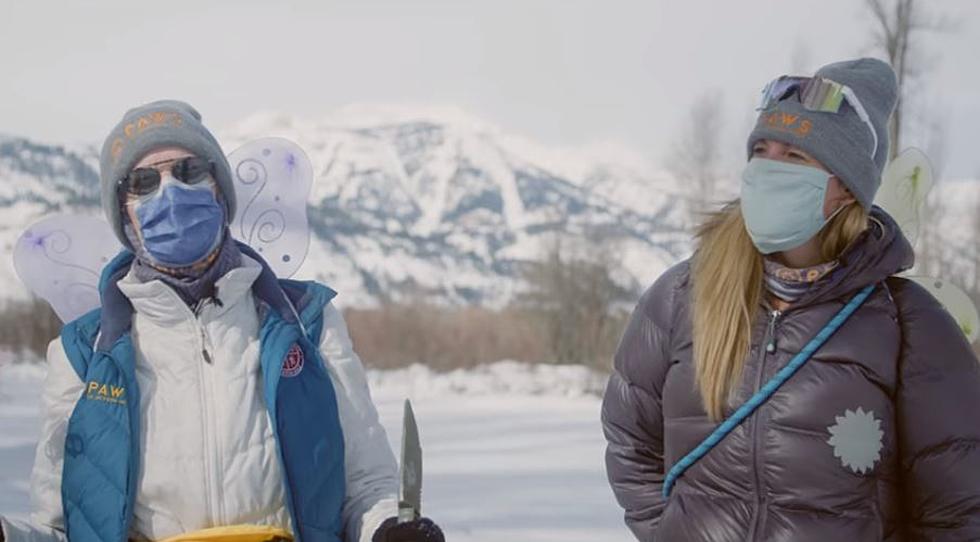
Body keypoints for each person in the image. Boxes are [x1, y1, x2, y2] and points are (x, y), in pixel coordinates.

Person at [0, 101, 444, 542]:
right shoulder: (83, 351)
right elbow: (62, 529)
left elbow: (365, 487)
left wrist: (388, 530)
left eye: (190, 171)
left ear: (219, 189)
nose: (170, 193)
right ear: (124, 211)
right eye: (143, 182)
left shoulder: (305, 322)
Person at [602, 58, 980, 541]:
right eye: (761, 150)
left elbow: (960, 510)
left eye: (795, 157)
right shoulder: (682, 297)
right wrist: (670, 532)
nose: (769, 168)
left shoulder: (910, 324)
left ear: (845, 187)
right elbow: (630, 441)